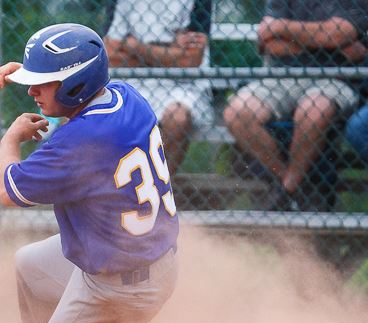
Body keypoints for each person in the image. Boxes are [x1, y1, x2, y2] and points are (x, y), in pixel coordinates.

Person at [0, 23, 179, 323]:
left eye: (42, 82)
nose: (31, 91)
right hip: (134, 262)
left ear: (76, 83)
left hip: (118, 288)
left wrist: (11, 138)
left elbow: (7, 190)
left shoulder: (82, 143)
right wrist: (34, 71)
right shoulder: (125, 95)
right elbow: (78, 112)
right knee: (29, 264)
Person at [223, 0, 368, 210]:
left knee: (313, 111)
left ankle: (287, 191)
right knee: (238, 113)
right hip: (283, 75)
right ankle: (290, 185)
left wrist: (282, 29)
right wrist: (328, 43)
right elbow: (268, 42)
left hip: (336, 77)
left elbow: (339, 33)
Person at [104, 0, 213, 174]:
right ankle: (119, 190)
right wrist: (170, 52)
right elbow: (110, 55)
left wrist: (134, 46)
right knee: (99, 111)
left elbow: (190, 60)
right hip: (131, 81)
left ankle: (157, 191)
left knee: (177, 117)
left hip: (183, 84)